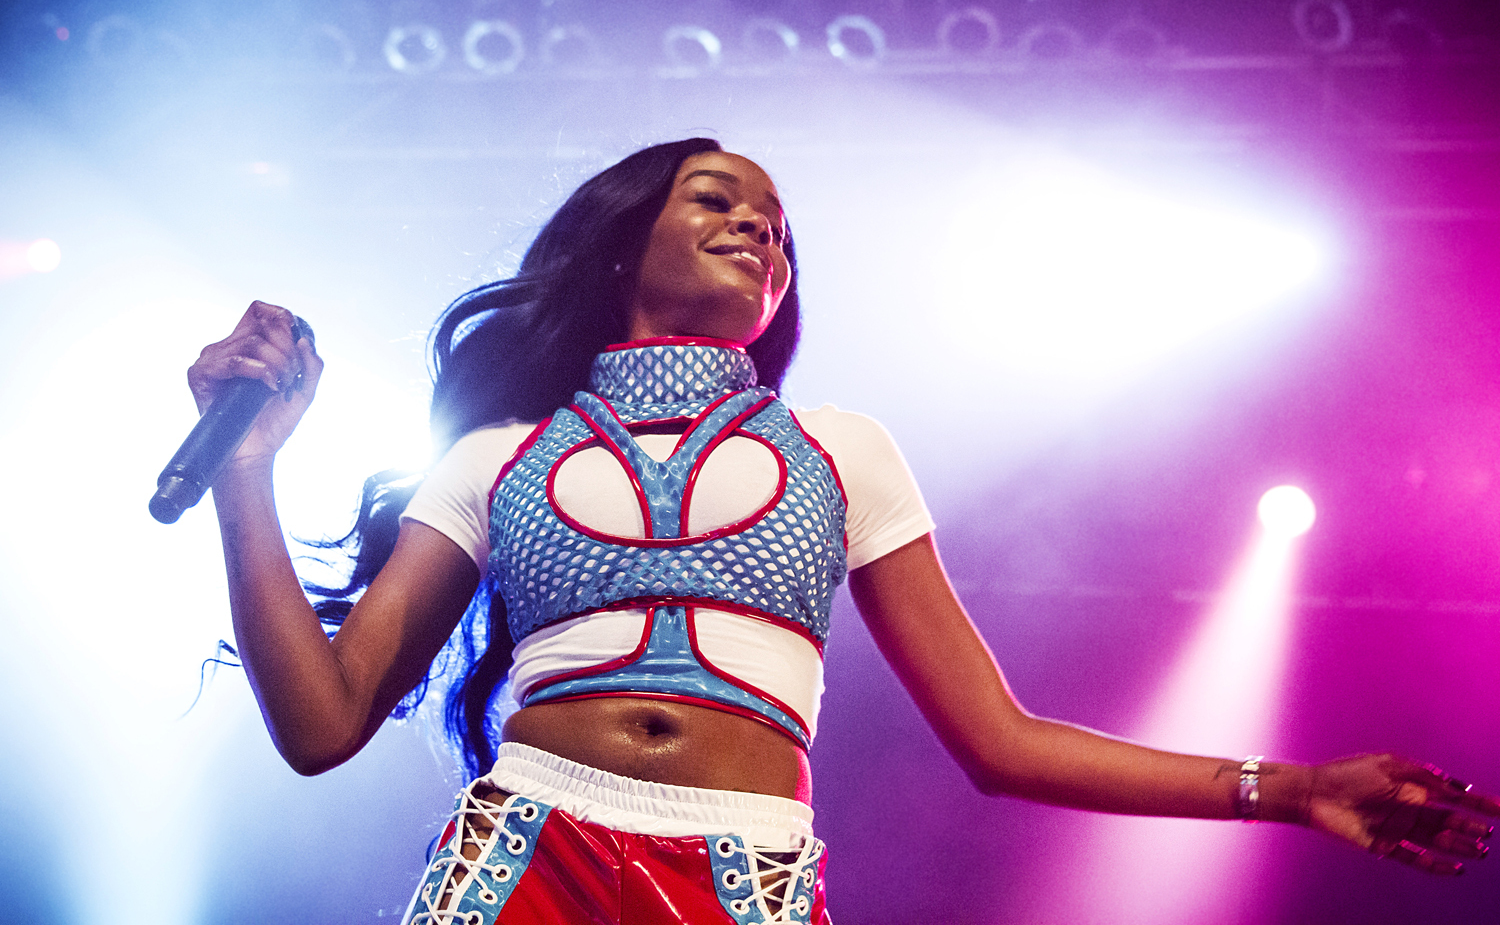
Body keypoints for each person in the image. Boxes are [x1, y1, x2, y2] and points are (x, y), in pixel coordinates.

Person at [189, 138, 1498, 925]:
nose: (755, 228)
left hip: (745, 880)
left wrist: (1292, 790)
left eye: (775, 228)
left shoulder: (841, 452)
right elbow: (321, 724)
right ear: (621, 243)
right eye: (716, 200)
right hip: (524, 854)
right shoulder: (496, 459)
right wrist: (246, 470)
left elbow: (1001, 743)